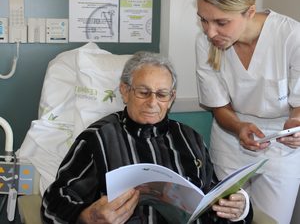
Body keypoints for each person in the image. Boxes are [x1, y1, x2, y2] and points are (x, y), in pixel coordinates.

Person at [41, 51, 252, 224]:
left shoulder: (190, 139)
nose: (152, 102)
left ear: (171, 99)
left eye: (161, 94)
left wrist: (240, 208)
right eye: (143, 92)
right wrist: (88, 216)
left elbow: (213, 198)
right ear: (125, 91)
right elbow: (54, 202)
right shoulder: (98, 139)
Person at [194, 0, 300, 224]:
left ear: (250, 11)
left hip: (279, 146)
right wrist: (239, 127)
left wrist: (296, 125)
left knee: (270, 220)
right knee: (227, 219)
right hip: (231, 139)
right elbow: (219, 107)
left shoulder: (291, 38)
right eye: (203, 19)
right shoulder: (205, 42)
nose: (210, 32)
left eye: (221, 22)